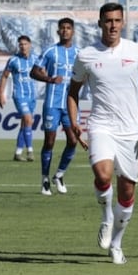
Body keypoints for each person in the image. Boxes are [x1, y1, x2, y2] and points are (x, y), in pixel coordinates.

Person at [67, 2, 138, 265]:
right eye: (108, 20)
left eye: (117, 20)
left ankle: (117, 243)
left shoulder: (136, 51)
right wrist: (74, 122)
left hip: (130, 131)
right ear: (99, 23)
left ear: (123, 23)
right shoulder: (86, 55)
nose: (112, 25)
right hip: (101, 125)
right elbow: (73, 92)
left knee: (126, 192)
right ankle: (106, 218)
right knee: (103, 173)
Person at [31, 17, 79, 196]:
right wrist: (49, 79)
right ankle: (44, 179)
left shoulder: (79, 53)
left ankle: (59, 175)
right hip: (52, 103)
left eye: (68, 28)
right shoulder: (50, 51)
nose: (65, 31)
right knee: (49, 141)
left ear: (73, 31)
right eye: (62, 28)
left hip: (71, 104)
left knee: (73, 140)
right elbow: (33, 71)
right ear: (58, 31)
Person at [0, 34, 37, 162]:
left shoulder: (36, 59)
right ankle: (30, 151)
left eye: (25, 44)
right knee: (28, 119)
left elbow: (44, 72)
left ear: (30, 45)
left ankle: (18, 152)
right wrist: (0, 93)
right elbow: (4, 76)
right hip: (19, 95)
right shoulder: (13, 60)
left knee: (25, 124)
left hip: (32, 96)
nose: (23, 46)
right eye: (21, 44)